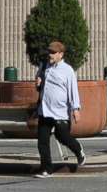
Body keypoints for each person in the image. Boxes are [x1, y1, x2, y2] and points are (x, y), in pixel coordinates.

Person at [34, 40, 84, 177]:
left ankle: (78, 150)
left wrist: (75, 109)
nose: (50, 55)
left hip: (60, 111)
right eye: (49, 52)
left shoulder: (67, 70)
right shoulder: (44, 66)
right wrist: (38, 84)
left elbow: (73, 90)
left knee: (63, 137)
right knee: (42, 141)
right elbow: (39, 87)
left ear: (61, 54)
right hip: (44, 110)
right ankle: (46, 169)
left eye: (53, 52)